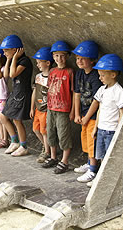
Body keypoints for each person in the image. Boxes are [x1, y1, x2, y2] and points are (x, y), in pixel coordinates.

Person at [84, 53, 123, 186]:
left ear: (113, 75)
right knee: (101, 156)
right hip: (102, 129)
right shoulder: (102, 89)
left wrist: (120, 130)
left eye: (103, 75)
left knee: (109, 157)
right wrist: (96, 127)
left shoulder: (119, 91)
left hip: (111, 131)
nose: (100, 77)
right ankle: (100, 178)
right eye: (99, 74)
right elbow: (100, 109)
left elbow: (122, 112)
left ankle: (106, 180)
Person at [72, 41, 103, 183]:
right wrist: (77, 114)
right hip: (84, 114)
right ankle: (89, 163)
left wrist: (87, 117)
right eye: (77, 58)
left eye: (82, 58)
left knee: (92, 141)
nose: (79, 61)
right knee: (85, 138)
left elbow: (97, 101)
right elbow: (77, 94)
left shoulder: (96, 76)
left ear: (92, 60)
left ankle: (93, 170)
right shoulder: (79, 73)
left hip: (93, 115)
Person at [42, 41, 75, 174]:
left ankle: (65, 161)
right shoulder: (52, 71)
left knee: (63, 135)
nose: (59, 59)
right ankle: (53, 157)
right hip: (51, 107)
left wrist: (73, 111)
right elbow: (49, 88)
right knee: (51, 132)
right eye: (56, 56)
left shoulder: (70, 72)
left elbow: (74, 93)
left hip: (64, 109)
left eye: (62, 56)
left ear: (67, 57)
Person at [0, 35, 33, 157]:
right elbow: (6, 74)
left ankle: (23, 146)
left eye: (6, 50)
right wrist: (9, 59)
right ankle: (14, 141)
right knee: (4, 117)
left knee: (17, 120)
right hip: (15, 93)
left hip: (22, 94)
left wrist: (14, 59)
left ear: (15, 50)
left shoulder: (24, 61)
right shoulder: (15, 60)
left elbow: (13, 74)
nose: (4, 53)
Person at [30, 47, 53, 163]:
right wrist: (31, 107)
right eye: (37, 62)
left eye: (40, 62)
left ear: (48, 63)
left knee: (44, 131)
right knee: (36, 129)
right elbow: (35, 91)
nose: (38, 65)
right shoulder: (38, 77)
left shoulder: (51, 77)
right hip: (38, 108)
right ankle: (46, 146)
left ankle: (47, 152)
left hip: (46, 109)